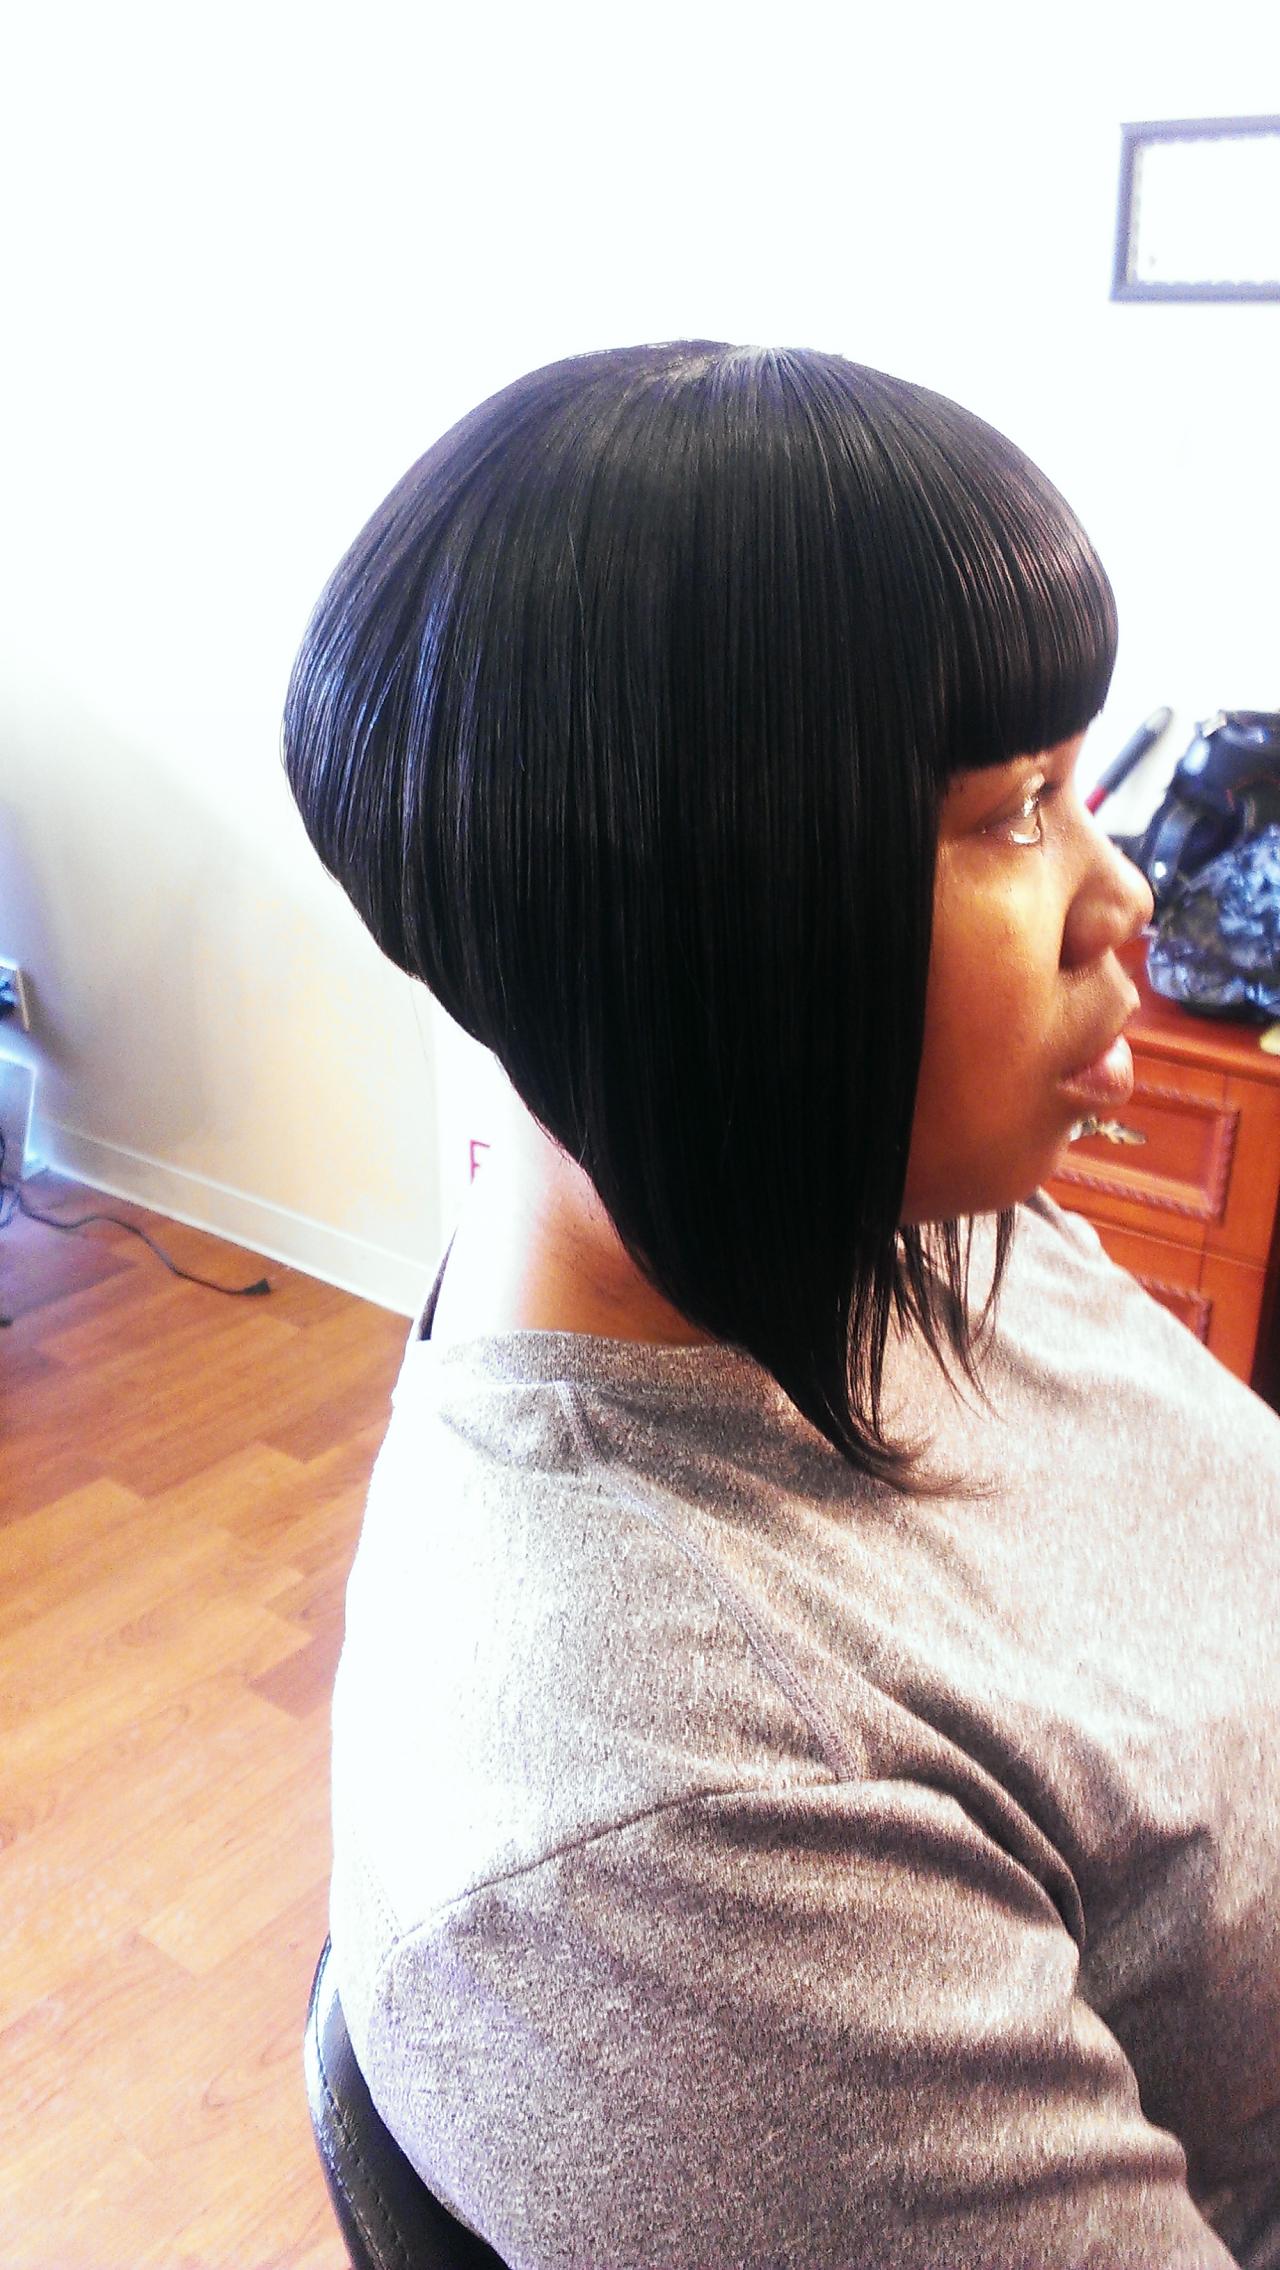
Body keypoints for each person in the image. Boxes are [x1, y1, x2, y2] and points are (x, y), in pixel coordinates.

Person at [283, 343, 1280, 2268]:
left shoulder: (894, 1218)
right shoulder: (679, 1837)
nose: (1125, 895)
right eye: (1018, 810)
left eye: (1081, 784)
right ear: (714, 927)